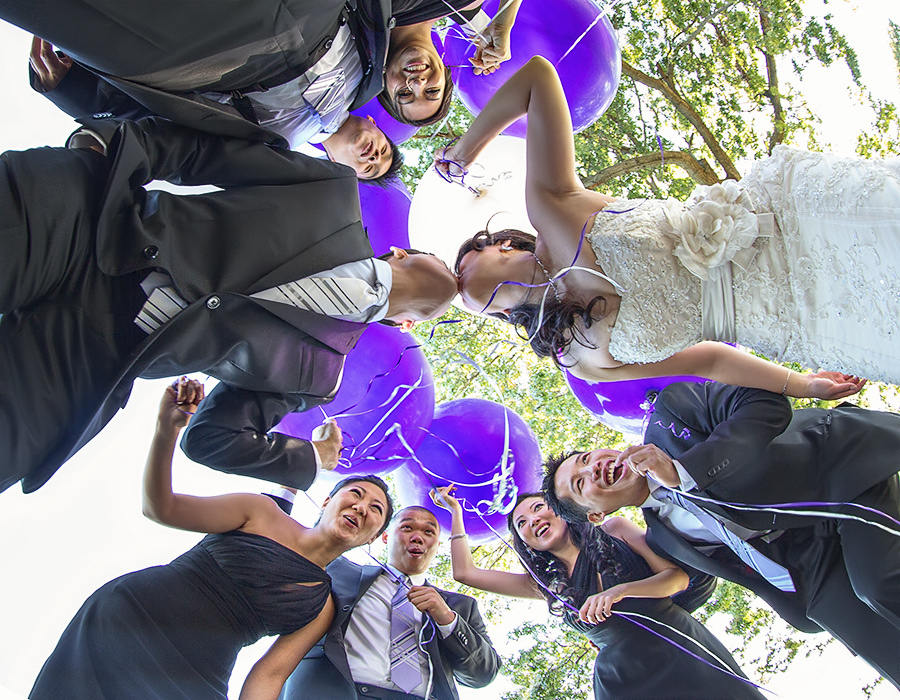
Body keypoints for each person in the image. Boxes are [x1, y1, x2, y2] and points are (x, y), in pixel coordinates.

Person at [0, 116, 459, 495]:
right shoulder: (333, 189)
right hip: (83, 226)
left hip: (88, 362)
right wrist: (106, 143)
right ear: (401, 252)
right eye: (441, 259)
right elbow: (203, 153)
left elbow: (211, 439)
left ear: (404, 325)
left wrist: (310, 460)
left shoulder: (320, 379)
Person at [446, 56, 900, 389]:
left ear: (500, 246)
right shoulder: (581, 361)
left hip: (792, 227)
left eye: (461, 263)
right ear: (499, 314)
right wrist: (804, 386)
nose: (458, 284)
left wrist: (464, 150)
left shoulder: (552, 206)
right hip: (800, 321)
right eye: (461, 299)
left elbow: (537, 78)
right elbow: (708, 363)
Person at [30, 379, 395, 700]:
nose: (362, 507)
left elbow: (269, 676)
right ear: (329, 500)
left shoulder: (321, 607)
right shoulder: (260, 511)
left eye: (376, 509)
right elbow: (162, 508)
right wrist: (166, 430)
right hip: (125, 621)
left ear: (375, 537)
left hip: (195, 678)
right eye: (357, 494)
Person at [545, 380, 900, 689]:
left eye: (586, 458)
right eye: (581, 483)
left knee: (878, 585)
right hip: (810, 559)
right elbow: (680, 584)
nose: (593, 468)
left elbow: (766, 402)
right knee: (861, 630)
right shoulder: (663, 538)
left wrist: (685, 471)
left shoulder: (670, 415)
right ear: (596, 515)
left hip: (841, 474)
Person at [3, 0, 522, 180]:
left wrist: (75, 93)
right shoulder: (367, 62)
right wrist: (495, 23)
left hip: (194, 59)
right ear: (374, 111)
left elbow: (177, 144)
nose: (371, 154)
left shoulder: (275, 152)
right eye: (384, 149)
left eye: (367, 168)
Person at [430, 486, 763, 699]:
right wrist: (455, 513)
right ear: (525, 542)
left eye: (537, 508)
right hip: (621, 679)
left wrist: (620, 592)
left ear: (558, 509)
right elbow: (465, 573)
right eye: (521, 524)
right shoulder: (544, 585)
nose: (532, 520)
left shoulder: (613, 530)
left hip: (681, 647)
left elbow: (676, 579)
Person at [280, 503, 501, 700]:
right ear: (385, 537)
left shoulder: (461, 606)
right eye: (407, 528)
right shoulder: (339, 573)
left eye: (428, 532)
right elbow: (289, 552)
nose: (417, 537)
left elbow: (483, 674)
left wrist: (448, 620)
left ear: (438, 545)